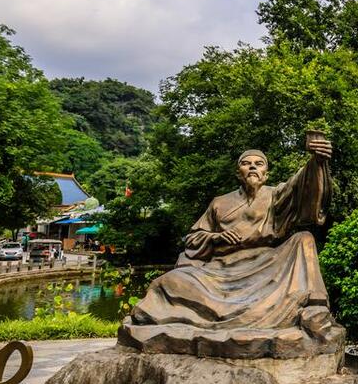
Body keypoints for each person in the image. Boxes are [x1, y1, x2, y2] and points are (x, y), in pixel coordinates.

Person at [121, 137, 333, 354]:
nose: (252, 167)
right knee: (166, 282)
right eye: (246, 163)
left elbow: (300, 185)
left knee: (304, 238)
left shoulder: (276, 195)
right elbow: (193, 239)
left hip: (268, 264)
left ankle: (314, 304)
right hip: (222, 270)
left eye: (259, 164)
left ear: (266, 174)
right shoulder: (220, 202)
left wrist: (316, 161)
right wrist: (216, 238)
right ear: (238, 173)